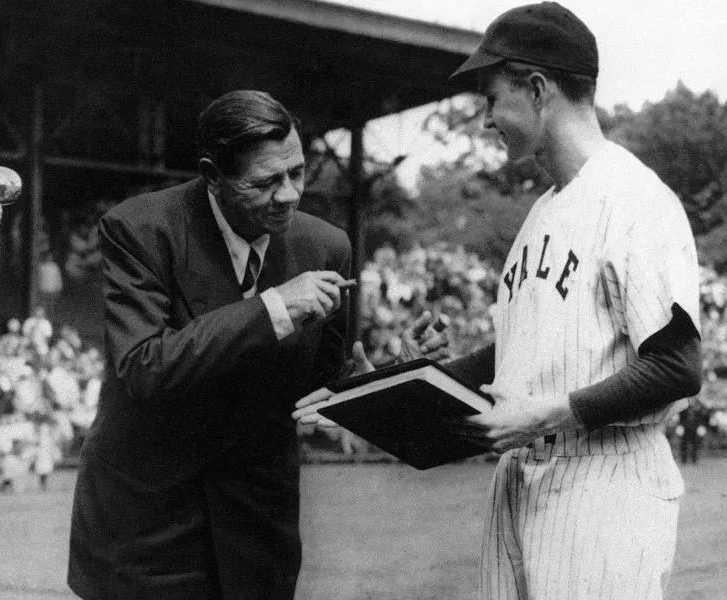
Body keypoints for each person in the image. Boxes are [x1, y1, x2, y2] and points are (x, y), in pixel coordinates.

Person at [294, 4, 702, 599]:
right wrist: (387, 389)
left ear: (538, 90)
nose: (487, 118)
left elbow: (677, 366)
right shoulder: (543, 213)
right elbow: (515, 354)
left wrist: (542, 415)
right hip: (523, 480)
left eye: (492, 98)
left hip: (604, 489)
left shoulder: (635, 201)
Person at [67, 89, 447, 600]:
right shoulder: (140, 229)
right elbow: (143, 368)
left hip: (258, 531)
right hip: (147, 531)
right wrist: (272, 308)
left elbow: (320, 384)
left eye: (297, 172)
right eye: (266, 182)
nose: (289, 194)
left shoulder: (326, 247)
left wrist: (395, 374)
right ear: (212, 176)